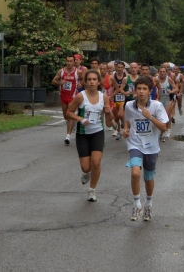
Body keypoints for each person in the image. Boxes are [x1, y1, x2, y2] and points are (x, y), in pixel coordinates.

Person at [122, 76, 169, 221]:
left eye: (144, 89)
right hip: (135, 144)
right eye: (139, 89)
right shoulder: (130, 105)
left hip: (151, 146)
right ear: (135, 90)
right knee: (135, 174)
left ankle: (148, 203)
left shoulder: (156, 106)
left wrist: (150, 117)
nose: (141, 92)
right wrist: (126, 129)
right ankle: (137, 204)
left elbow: (163, 127)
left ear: (150, 91)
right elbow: (127, 119)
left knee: (148, 178)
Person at [67, 70, 114, 202]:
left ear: (99, 82)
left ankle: (92, 190)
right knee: (86, 167)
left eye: (94, 79)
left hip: (97, 133)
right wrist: (81, 119)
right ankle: (86, 173)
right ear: (86, 82)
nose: (92, 82)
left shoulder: (103, 97)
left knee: (96, 163)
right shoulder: (80, 97)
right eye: (89, 80)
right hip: (82, 134)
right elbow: (69, 112)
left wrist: (109, 112)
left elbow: (109, 122)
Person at [51, 55, 83, 145]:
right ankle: (72, 124)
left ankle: (68, 136)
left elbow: (84, 80)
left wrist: (81, 84)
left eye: (70, 61)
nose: (69, 63)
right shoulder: (61, 71)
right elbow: (53, 81)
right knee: (66, 116)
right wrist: (60, 83)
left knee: (71, 114)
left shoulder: (78, 72)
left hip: (73, 96)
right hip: (63, 96)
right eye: (67, 61)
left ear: (74, 62)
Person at [157, 66, 177, 141]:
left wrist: (171, 91)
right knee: (158, 116)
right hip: (159, 98)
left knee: (167, 114)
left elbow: (176, 88)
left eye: (163, 72)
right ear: (158, 72)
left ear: (166, 72)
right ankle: (161, 130)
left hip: (167, 98)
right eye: (160, 72)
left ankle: (167, 129)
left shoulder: (169, 79)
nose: (162, 73)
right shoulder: (156, 79)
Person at [112, 61, 127, 139]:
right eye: (119, 67)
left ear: (124, 68)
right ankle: (118, 131)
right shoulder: (113, 75)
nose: (120, 69)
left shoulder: (126, 76)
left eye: (121, 67)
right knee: (116, 117)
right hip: (115, 97)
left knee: (120, 114)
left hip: (123, 97)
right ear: (116, 68)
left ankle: (123, 121)